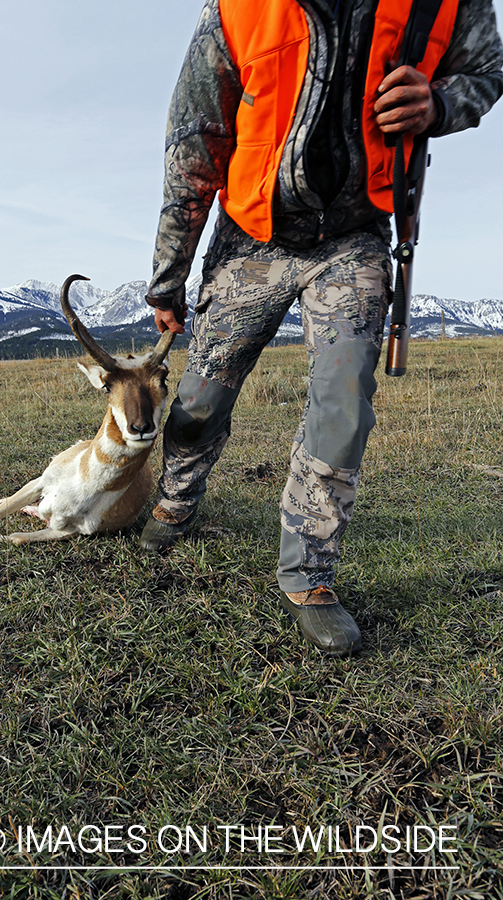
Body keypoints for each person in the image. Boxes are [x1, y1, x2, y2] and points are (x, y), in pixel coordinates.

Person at [139, 0, 503, 655]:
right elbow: (194, 141)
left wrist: (441, 104)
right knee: (200, 398)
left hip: (357, 238)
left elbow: (486, 69)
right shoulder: (236, 9)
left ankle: (309, 575)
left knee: (343, 403)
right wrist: (170, 274)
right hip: (250, 237)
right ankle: (177, 497)